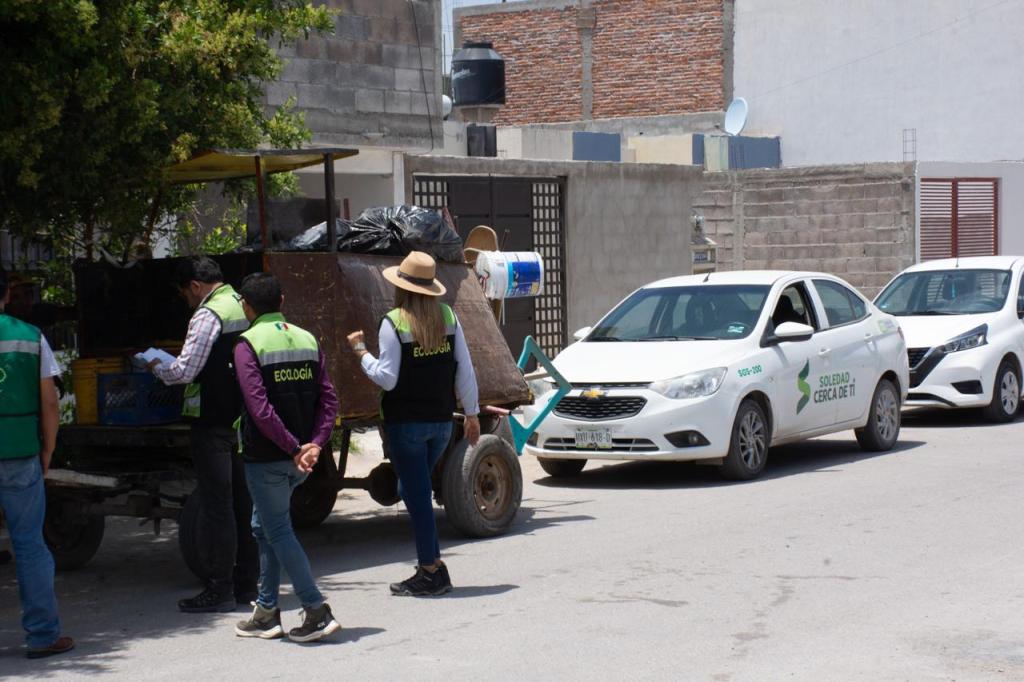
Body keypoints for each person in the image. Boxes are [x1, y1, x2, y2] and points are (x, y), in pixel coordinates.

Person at [347, 251, 480, 597]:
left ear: (402, 288)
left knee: (418, 498)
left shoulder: (394, 322)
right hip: (440, 424)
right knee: (411, 490)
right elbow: (464, 368)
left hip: (407, 425)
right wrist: (473, 413)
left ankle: (430, 570)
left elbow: (388, 379)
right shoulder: (448, 317)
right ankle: (434, 566)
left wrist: (361, 353)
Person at [232, 273, 341, 642]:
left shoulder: (247, 344)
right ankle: (266, 611)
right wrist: (315, 444)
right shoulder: (308, 338)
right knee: (264, 528)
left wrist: (295, 448)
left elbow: (259, 411)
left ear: (246, 307)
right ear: (281, 302)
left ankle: (316, 610)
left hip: (269, 460)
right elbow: (329, 400)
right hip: (302, 461)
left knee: (276, 530)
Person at [151, 257, 258, 612]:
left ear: (195, 286)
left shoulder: (207, 314)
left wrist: (156, 366)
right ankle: (247, 585)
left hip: (212, 421)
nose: (187, 300)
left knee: (218, 507)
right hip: (243, 419)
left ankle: (220, 587)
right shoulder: (243, 304)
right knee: (244, 505)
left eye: (185, 293)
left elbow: (185, 370)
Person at [0, 268, 74, 658]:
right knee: (29, 546)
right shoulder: (29, 337)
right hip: (18, 451)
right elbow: (50, 402)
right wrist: (47, 448)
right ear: (6, 295)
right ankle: (43, 636)